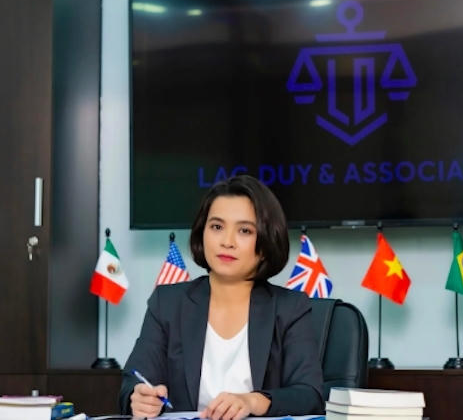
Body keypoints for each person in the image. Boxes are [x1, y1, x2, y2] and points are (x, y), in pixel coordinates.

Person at [119, 175, 324, 419]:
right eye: (217, 227)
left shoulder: (290, 308)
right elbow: (133, 381)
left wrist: (252, 401)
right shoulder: (167, 303)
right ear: (202, 233)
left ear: (266, 242)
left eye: (245, 230)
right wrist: (139, 398)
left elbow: (309, 396)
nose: (227, 242)